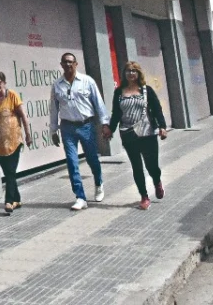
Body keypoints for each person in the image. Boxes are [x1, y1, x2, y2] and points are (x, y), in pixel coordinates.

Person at [102, 62, 168, 210]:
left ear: (138, 74)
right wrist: (110, 129)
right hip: (128, 134)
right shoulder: (119, 92)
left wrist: (162, 127)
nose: (131, 73)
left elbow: (157, 110)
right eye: (128, 71)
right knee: (137, 167)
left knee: (152, 166)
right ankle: (144, 196)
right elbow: (117, 113)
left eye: (134, 71)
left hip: (148, 133)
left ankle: (157, 181)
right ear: (124, 74)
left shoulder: (147, 90)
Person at [49, 52, 109, 211]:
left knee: (91, 158)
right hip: (67, 127)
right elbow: (53, 109)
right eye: (65, 62)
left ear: (76, 64)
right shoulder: (57, 85)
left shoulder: (87, 81)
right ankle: (80, 197)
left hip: (86, 126)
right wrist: (53, 130)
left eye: (71, 62)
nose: (68, 65)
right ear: (61, 65)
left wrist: (104, 123)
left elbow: (98, 103)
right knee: (71, 161)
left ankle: (98, 182)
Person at [0, 71, 33, 214]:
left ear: (4, 83)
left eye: (0, 82)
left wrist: (28, 135)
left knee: (10, 171)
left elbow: (23, 116)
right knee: (7, 171)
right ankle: (17, 199)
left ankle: (9, 201)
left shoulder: (12, 96)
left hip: (14, 140)